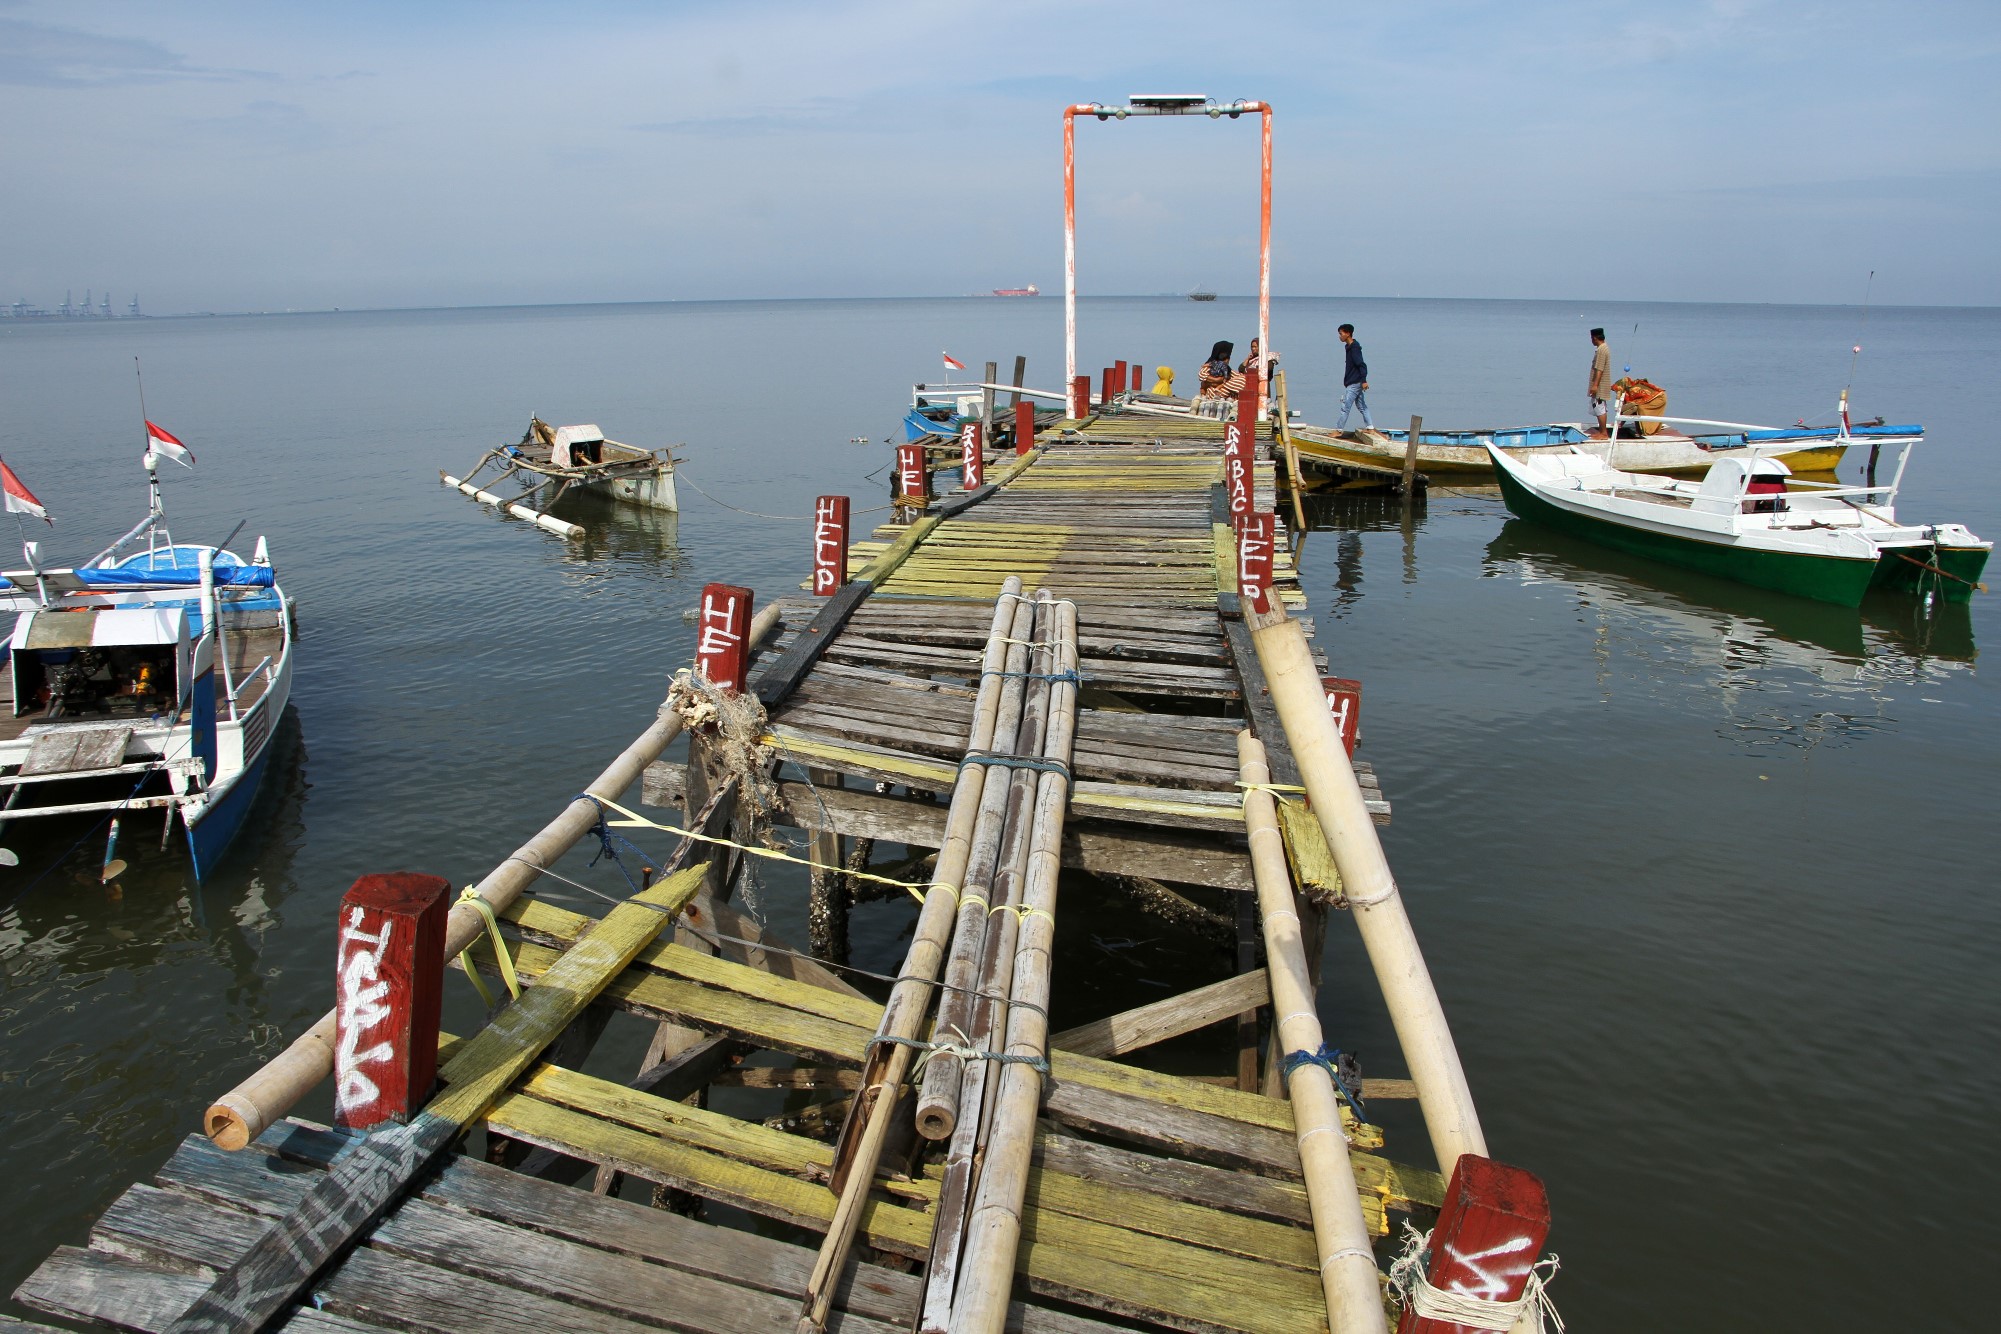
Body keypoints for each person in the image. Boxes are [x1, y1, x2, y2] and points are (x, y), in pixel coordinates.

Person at [1335, 324, 1373, 431]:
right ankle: (1370, 426)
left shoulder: (1354, 348)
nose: (1339, 336)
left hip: (1355, 383)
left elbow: (1361, 365)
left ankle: (1339, 430)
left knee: (1345, 407)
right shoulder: (1349, 347)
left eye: (1341, 334)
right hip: (1355, 382)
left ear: (1348, 334)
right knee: (1361, 406)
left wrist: (1364, 380)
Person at [1588, 327, 1611, 437]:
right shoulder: (1603, 348)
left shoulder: (1602, 350)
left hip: (1600, 385)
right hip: (1600, 384)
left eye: (1591, 338)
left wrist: (1595, 385)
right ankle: (1602, 431)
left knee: (1599, 407)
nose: (1591, 340)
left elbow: (1599, 369)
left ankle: (1603, 433)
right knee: (1599, 407)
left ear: (1595, 338)